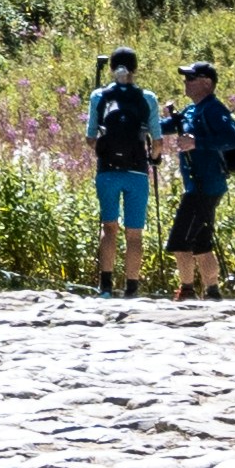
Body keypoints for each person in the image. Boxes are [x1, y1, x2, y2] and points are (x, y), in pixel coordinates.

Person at [162, 59, 235, 297]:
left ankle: (187, 290)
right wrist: (144, 126)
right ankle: (213, 291)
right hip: (198, 185)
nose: (186, 82)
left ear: (206, 83)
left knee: (180, 241)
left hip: (206, 185)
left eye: (191, 78)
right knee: (202, 241)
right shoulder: (193, 110)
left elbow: (231, 140)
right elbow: (168, 126)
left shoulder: (214, 109)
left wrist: (195, 143)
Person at [86, 50, 159, 293]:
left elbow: (90, 137)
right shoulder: (147, 98)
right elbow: (157, 141)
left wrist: (106, 151)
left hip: (107, 171)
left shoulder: (99, 96)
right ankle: (132, 288)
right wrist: (153, 157)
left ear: (111, 69)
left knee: (109, 228)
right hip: (137, 172)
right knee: (134, 233)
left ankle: (105, 286)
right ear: (135, 70)